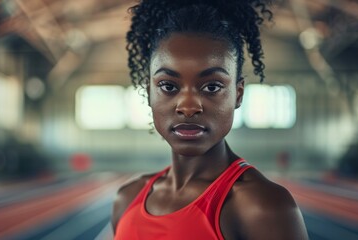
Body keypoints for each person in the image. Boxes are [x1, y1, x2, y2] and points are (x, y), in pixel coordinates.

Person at [112, 0, 309, 239]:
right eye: (168, 86)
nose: (188, 106)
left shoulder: (263, 207)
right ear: (148, 92)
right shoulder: (127, 198)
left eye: (212, 86)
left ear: (238, 94)